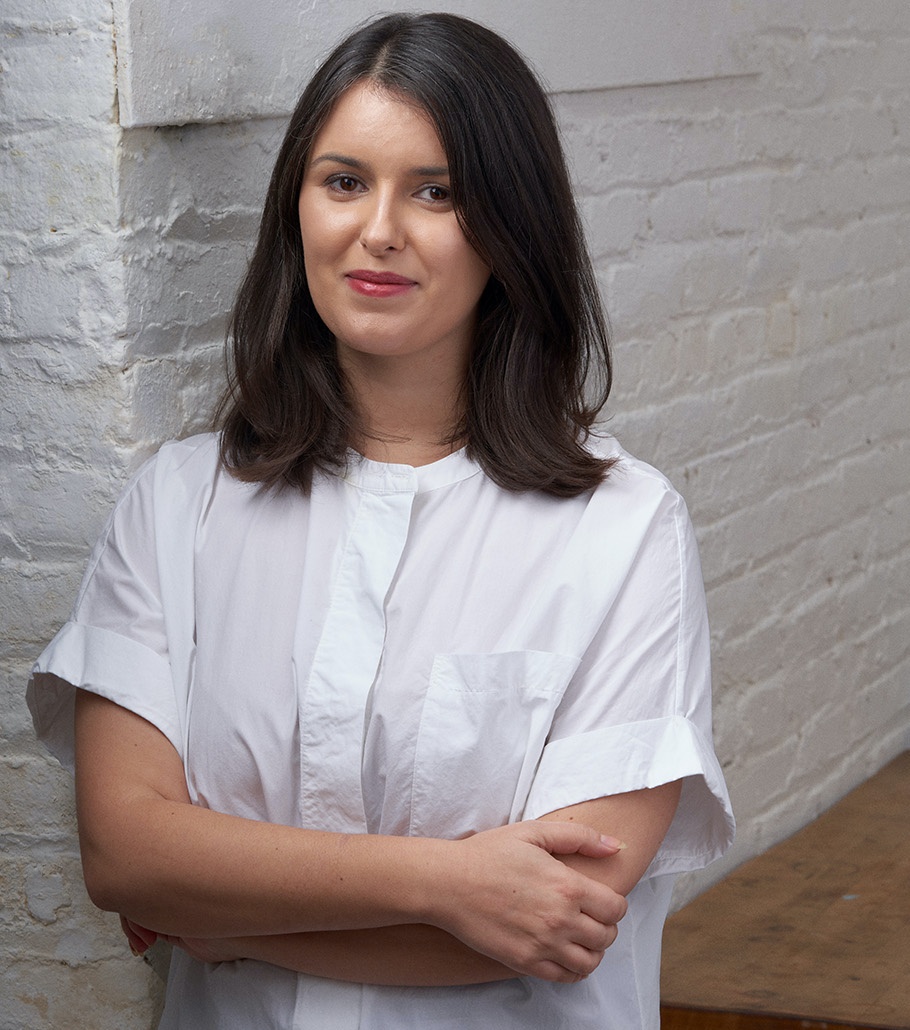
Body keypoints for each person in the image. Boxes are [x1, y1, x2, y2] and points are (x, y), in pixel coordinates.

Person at [27, 12, 734, 1029]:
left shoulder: (622, 530)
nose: (380, 230)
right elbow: (125, 853)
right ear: (297, 209)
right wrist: (448, 884)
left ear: (511, 226)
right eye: (344, 181)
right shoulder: (178, 504)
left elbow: (566, 920)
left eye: (436, 192)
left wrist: (224, 920)